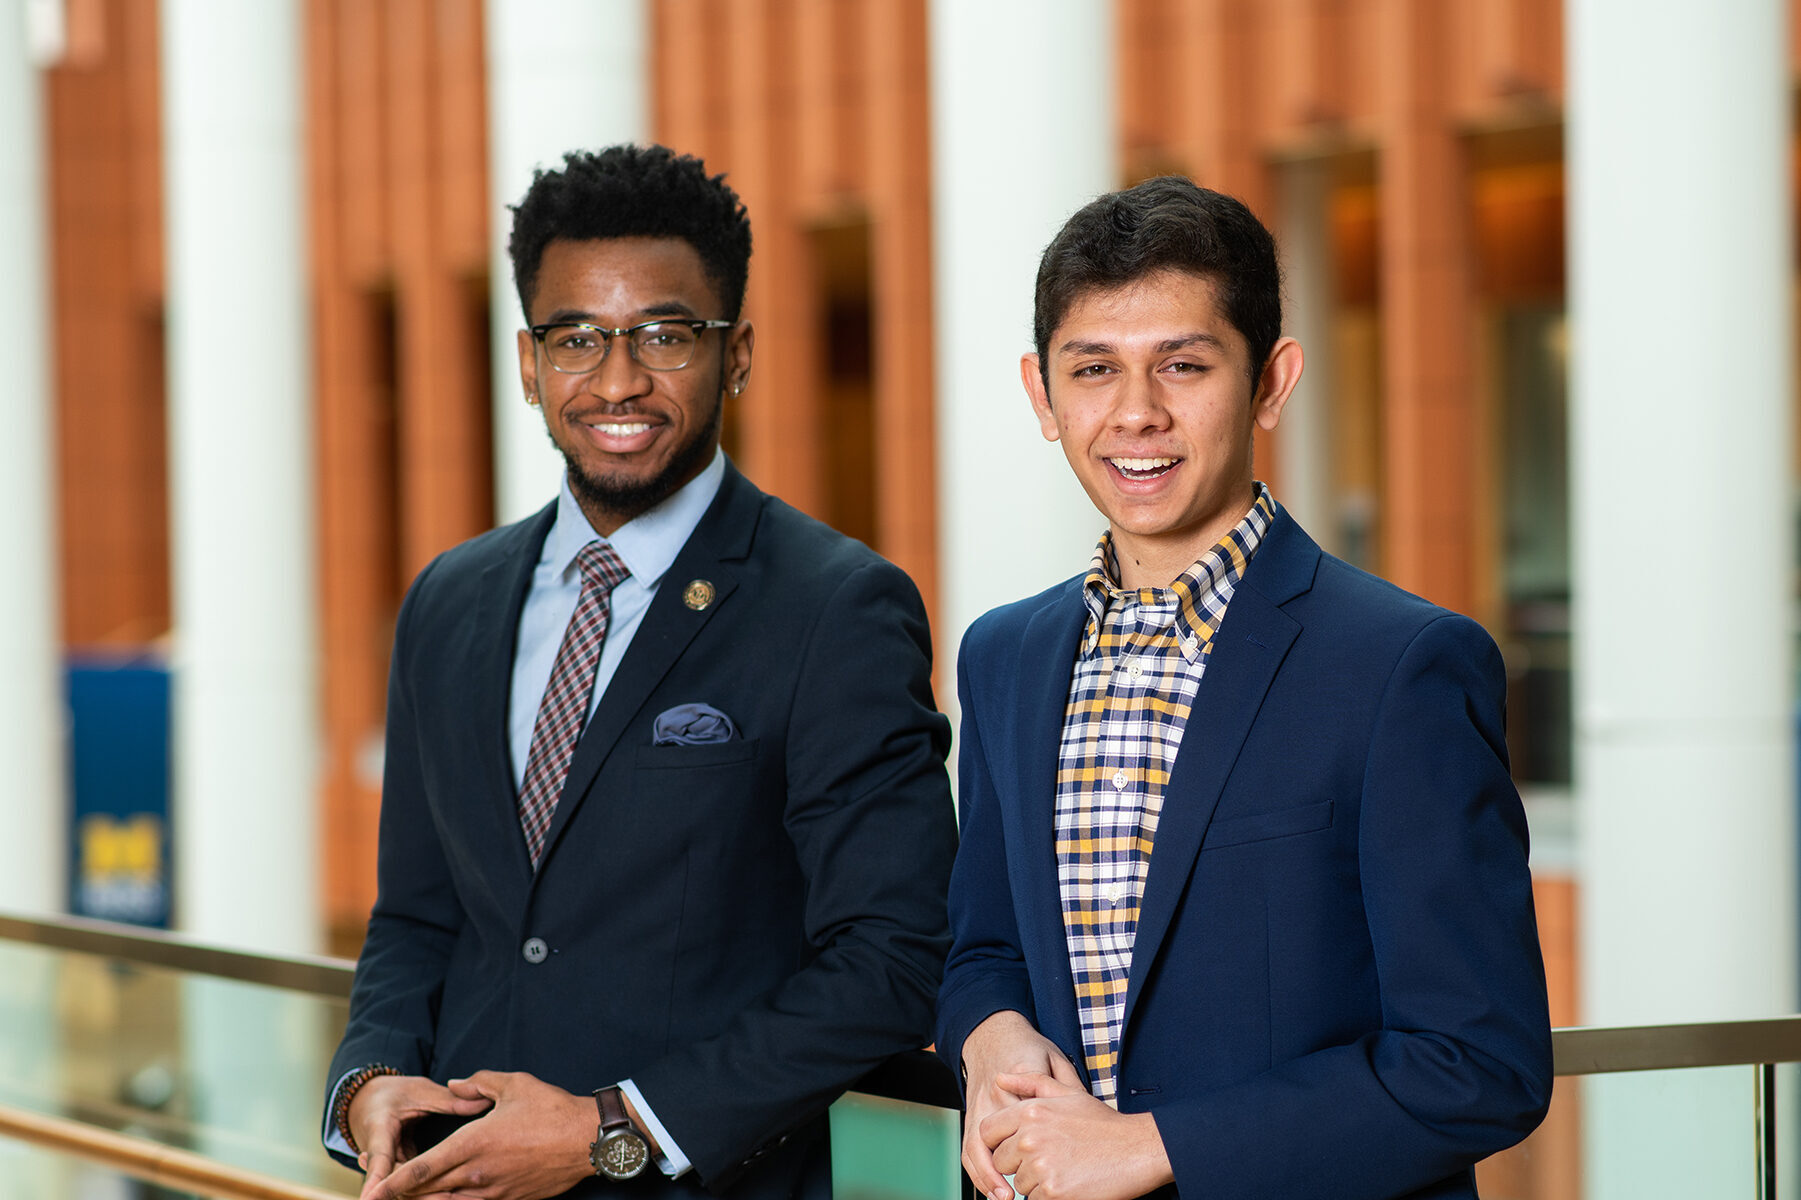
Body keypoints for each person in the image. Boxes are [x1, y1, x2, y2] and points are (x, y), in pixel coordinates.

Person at [322, 144, 957, 1200]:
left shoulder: (835, 607)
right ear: (528, 363)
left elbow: (892, 959)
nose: (618, 382)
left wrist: (611, 1130)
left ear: (738, 353)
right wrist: (368, 1081)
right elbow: (418, 918)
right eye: (576, 339)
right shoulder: (449, 601)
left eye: (666, 334)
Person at [935, 177, 1552, 1200]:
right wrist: (988, 1032)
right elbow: (985, 943)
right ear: (1041, 396)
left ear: (1270, 382)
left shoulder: (1402, 664)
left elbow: (1479, 1064)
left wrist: (1151, 1146)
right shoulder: (1005, 656)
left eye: (1183, 365)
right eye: (1093, 370)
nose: (1136, 413)